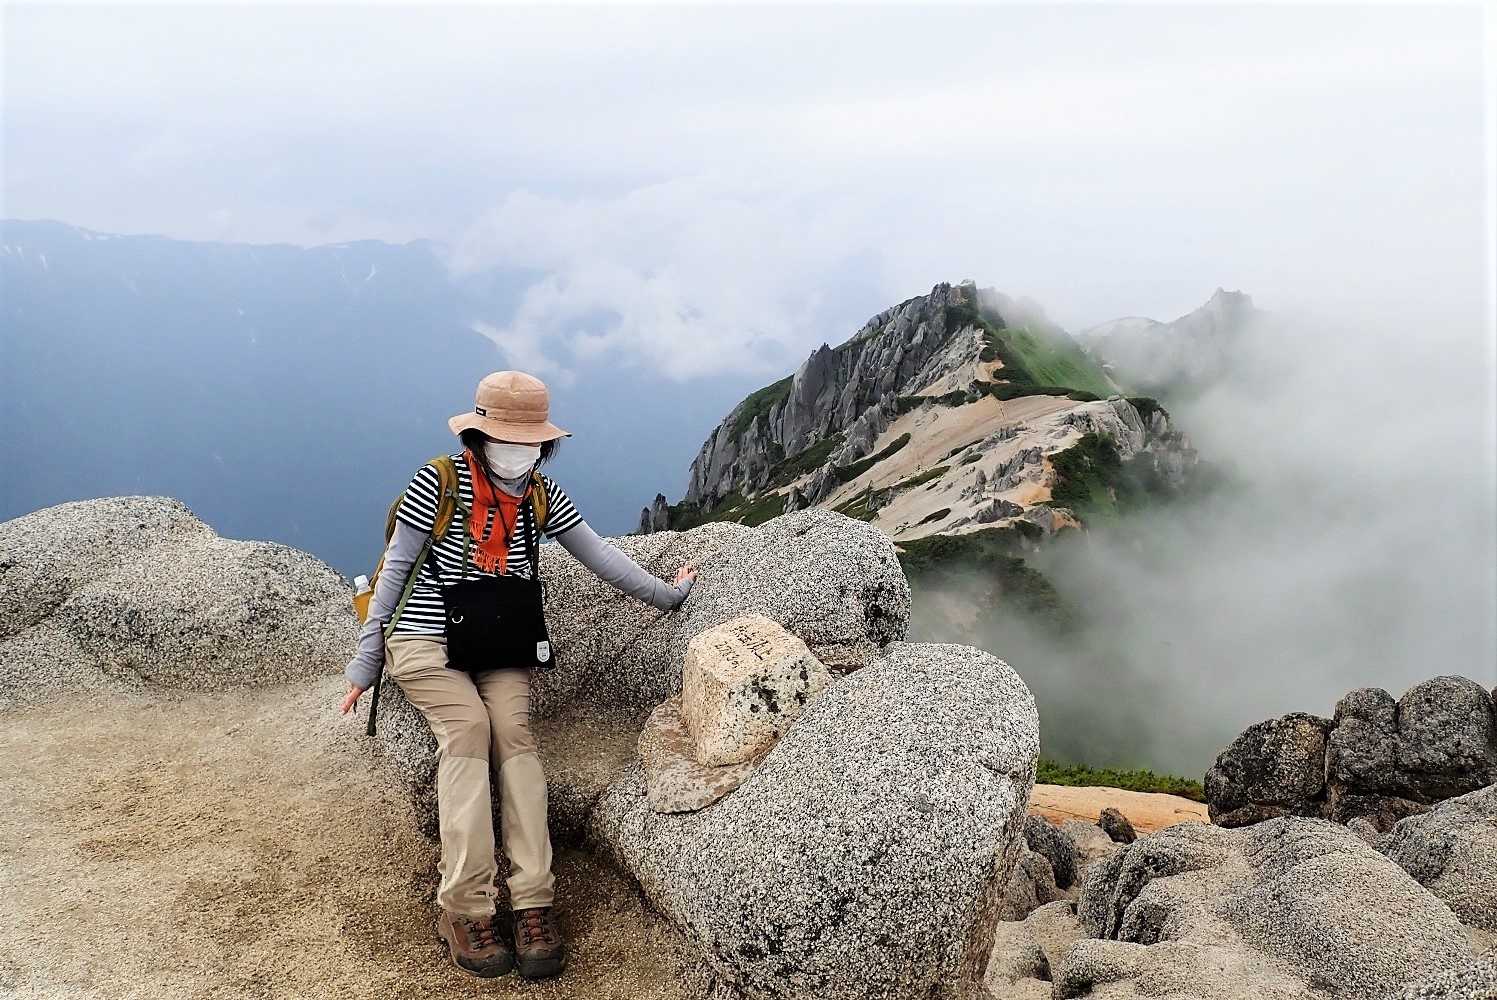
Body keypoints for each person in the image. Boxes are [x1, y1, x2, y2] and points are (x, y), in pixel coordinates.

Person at [339, 370, 697, 980]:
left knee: (515, 736)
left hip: (498, 641)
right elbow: (394, 573)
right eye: (507, 437)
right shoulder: (436, 482)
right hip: (423, 636)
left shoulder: (540, 493)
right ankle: (466, 906)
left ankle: (533, 901)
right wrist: (366, 663)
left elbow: (599, 554)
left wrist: (668, 595)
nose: (518, 449)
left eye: (530, 440)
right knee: (468, 729)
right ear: (478, 436)